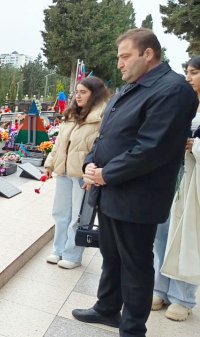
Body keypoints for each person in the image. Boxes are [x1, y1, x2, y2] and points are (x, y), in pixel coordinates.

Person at [72, 29, 199, 337]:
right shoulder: (131, 88)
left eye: (125, 56)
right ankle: (107, 307)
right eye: (119, 58)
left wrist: (105, 173)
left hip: (138, 196)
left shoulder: (172, 91)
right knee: (111, 256)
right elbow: (108, 135)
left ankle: (132, 328)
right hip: (111, 190)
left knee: (136, 264)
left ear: (148, 54)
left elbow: (152, 148)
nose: (120, 64)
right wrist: (90, 162)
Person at [152, 56, 200, 321]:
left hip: (195, 182)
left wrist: (196, 146)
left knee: (188, 239)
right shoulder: (184, 103)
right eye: (187, 72)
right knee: (163, 232)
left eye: (194, 73)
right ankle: (160, 287)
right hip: (174, 176)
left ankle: (183, 297)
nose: (188, 78)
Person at [44, 76, 109, 269]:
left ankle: (72, 254)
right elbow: (60, 143)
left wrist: (93, 173)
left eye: (83, 92)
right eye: (77, 92)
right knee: (60, 213)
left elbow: (101, 148)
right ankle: (58, 249)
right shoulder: (71, 115)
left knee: (78, 216)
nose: (78, 96)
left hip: (83, 174)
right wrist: (50, 164)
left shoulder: (101, 118)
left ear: (94, 94)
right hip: (64, 171)